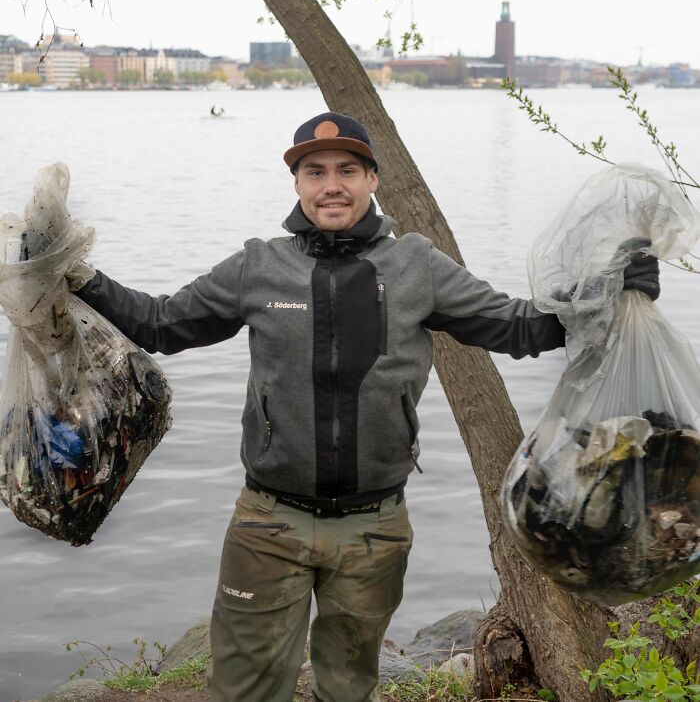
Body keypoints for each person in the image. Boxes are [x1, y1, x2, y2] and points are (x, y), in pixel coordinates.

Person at [73, 112, 659, 702]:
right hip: (268, 521)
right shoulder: (258, 266)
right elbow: (160, 324)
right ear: (297, 184)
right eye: (315, 171)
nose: (332, 184)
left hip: (375, 528)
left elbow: (518, 328)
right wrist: (79, 278)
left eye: (348, 170)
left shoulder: (417, 265)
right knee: (240, 688)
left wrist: (610, 292)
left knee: (351, 686)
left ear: (373, 178)